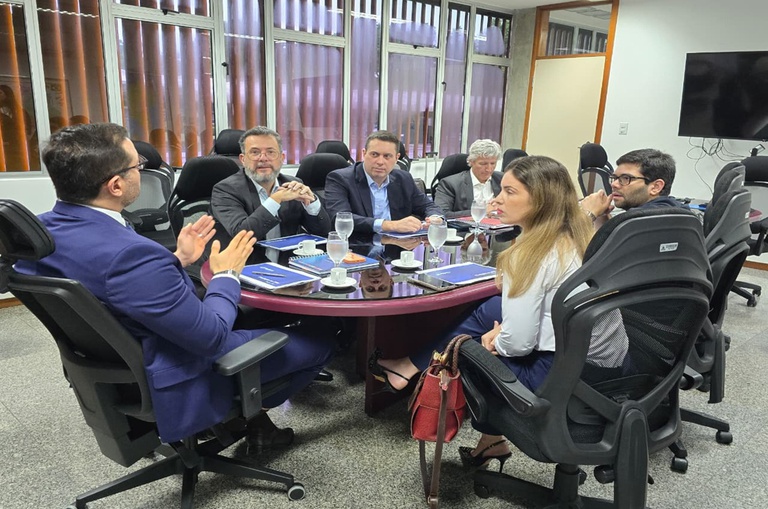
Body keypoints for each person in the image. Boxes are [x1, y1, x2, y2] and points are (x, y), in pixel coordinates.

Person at [14, 123, 335, 450]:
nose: (141, 171)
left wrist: (176, 259)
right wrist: (226, 275)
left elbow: (115, 284)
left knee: (253, 318)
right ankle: (243, 411)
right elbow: (212, 338)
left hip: (115, 364)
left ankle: (247, 417)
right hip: (176, 369)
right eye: (136, 166)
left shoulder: (40, 233)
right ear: (115, 185)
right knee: (322, 337)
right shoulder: (132, 255)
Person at [368, 155, 628, 469]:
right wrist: (503, 329)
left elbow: (518, 345)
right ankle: (487, 440)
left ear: (541, 200)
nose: (497, 199)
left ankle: (418, 376)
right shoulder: (582, 235)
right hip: (611, 369)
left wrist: (497, 340)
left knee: (464, 350)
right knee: (489, 307)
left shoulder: (530, 255)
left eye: (509, 192)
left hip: (563, 377)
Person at [211, 126, 332, 259]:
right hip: (245, 268)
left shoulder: (293, 183)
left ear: (281, 158)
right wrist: (276, 199)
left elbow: (323, 232)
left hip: (289, 266)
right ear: (243, 159)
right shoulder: (225, 190)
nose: (263, 158)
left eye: (270, 152)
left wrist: (311, 203)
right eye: (255, 152)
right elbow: (243, 234)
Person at [325, 130, 443, 234]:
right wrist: (390, 225)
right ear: (364, 153)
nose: (380, 162)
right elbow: (340, 218)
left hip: (396, 248)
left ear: (396, 158)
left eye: (387, 156)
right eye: (374, 154)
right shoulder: (340, 179)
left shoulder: (403, 179)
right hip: (357, 247)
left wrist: (434, 218)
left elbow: (428, 205)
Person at [579, 148, 682, 226]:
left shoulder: (633, 222)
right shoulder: (681, 214)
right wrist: (601, 215)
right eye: (614, 178)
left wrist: (588, 214)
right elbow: (606, 244)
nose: (614, 184)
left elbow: (571, 250)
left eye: (626, 178)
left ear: (656, 187)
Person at [434, 139, 504, 218]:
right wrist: (482, 211)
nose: (489, 169)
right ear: (471, 162)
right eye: (483, 164)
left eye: (493, 163)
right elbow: (441, 214)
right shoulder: (450, 184)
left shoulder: (502, 179)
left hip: (502, 227)